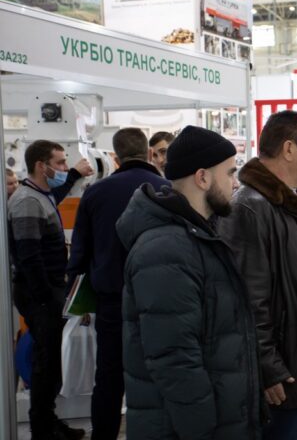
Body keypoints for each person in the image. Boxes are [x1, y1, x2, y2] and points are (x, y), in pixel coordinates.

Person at [116, 125, 262, 440]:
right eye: (229, 173)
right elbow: (174, 358)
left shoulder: (200, 236)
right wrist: (202, 428)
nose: (235, 183)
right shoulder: (166, 249)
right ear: (203, 177)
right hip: (184, 429)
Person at [218, 110, 297, 440]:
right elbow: (248, 299)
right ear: (289, 149)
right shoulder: (251, 207)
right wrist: (268, 367)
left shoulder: (290, 202)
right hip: (285, 369)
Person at [67, 128, 168, 440]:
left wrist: (78, 300)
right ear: (149, 153)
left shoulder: (96, 193)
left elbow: (80, 252)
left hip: (111, 301)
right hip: (160, 300)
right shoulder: (166, 189)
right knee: (159, 375)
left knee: (109, 378)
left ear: (115, 157)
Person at [8, 140, 86, 440]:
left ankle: (49, 421)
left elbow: (57, 194)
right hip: (38, 294)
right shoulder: (27, 201)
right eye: (61, 163)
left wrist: (74, 175)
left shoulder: (41, 195)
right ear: (42, 166)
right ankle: (42, 429)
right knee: (45, 363)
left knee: (52, 362)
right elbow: (29, 256)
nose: (65, 168)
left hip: (49, 291)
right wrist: (46, 300)